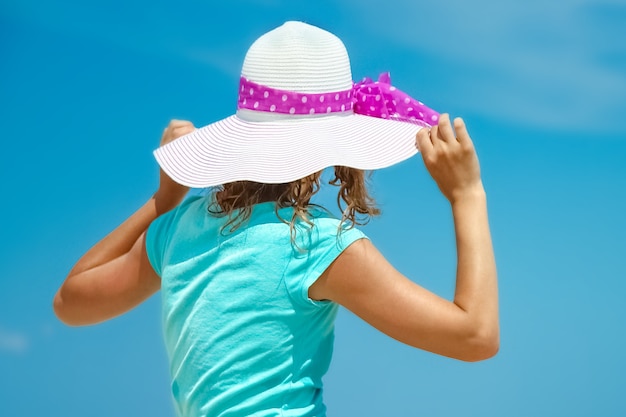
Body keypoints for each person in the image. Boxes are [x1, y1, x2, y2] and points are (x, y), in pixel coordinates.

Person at [53, 21, 498, 417]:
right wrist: (467, 195)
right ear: (334, 150)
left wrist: (165, 198)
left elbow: (71, 302)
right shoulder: (315, 244)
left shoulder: (179, 229)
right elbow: (475, 336)